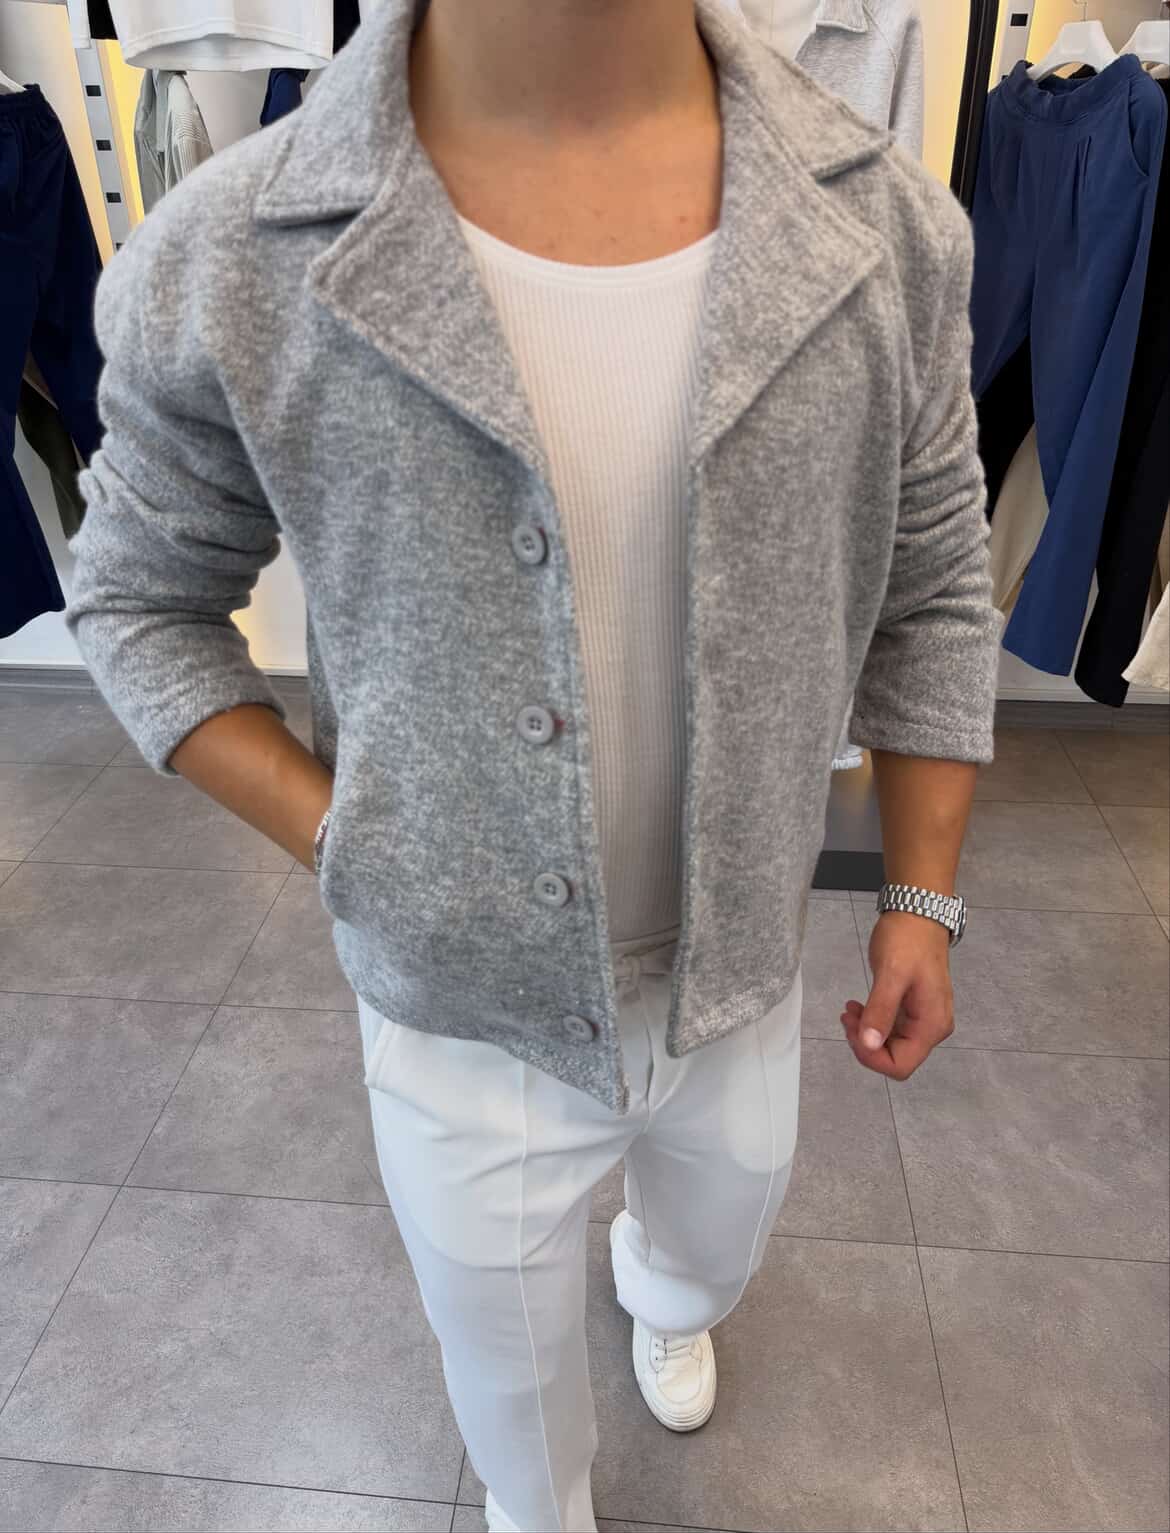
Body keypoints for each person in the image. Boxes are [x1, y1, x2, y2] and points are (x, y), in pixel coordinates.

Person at [66, 1, 1002, 1528]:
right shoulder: (240, 248)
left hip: (737, 965)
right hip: (458, 1003)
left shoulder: (884, 227)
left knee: (715, 1239)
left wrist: (921, 893)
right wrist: (347, 841)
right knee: (502, 1373)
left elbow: (936, 582)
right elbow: (135, 595)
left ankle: (663, 1288)